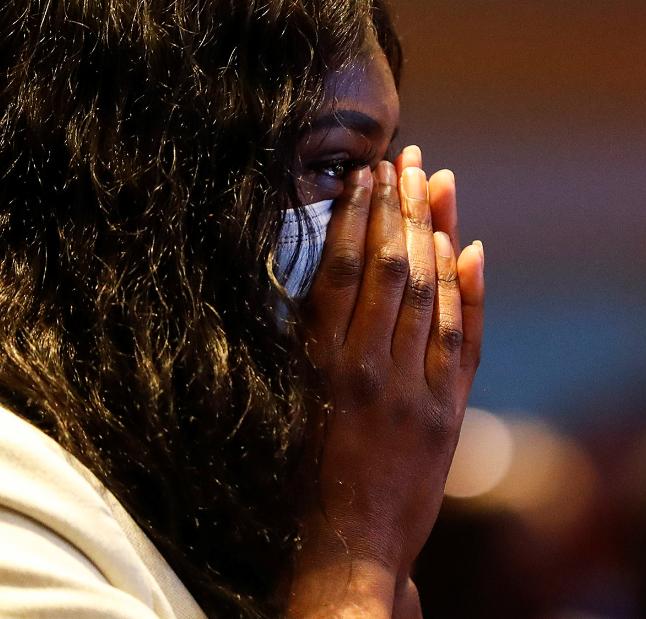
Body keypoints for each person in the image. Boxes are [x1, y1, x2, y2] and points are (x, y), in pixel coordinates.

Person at [0, 0, 484, 617]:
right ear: (148, 175)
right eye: (336, 166)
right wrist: (356, 553)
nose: (388, 245)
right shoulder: (16, 500)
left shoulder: (185, 490)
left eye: (382, 167)